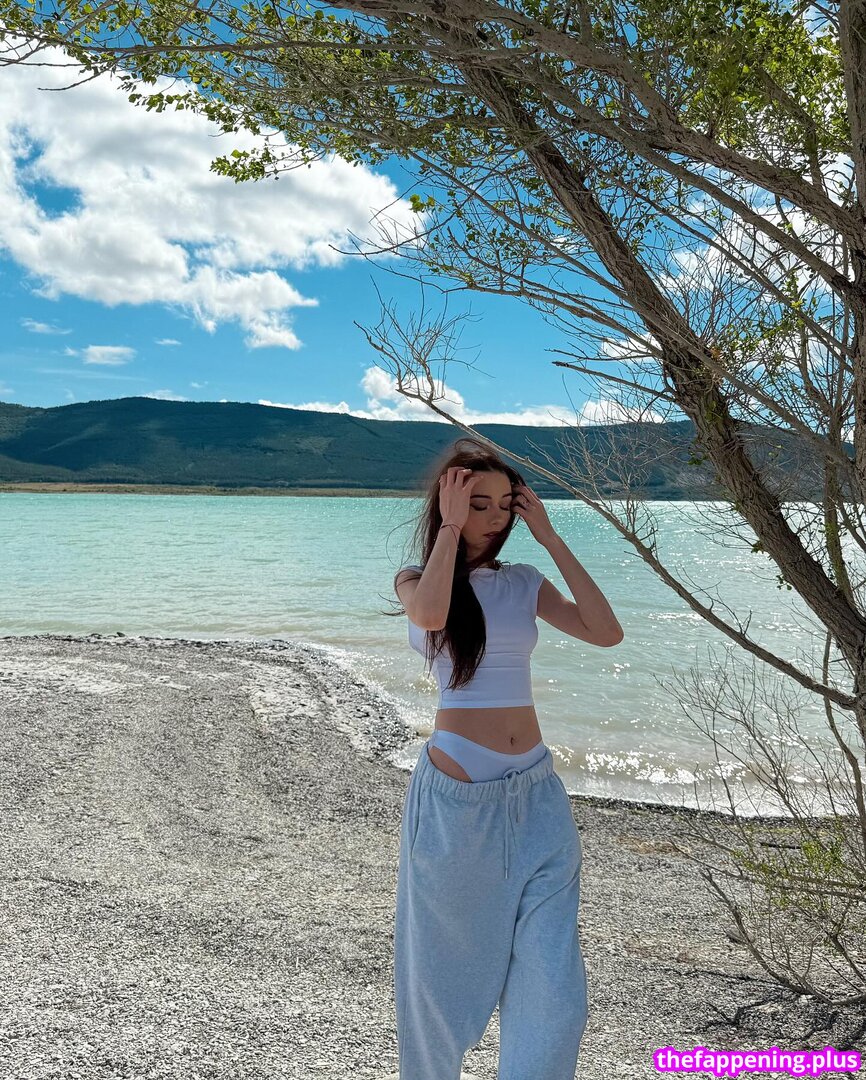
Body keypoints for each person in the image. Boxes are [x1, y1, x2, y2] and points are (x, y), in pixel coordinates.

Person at [390, 437, 623, 1080]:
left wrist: (550, 537)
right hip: (460, 797)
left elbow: (606, 632)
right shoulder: (416, 580)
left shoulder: (523, 582)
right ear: (449, 504)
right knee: (442, 979)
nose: (495, 516)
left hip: (538, 793)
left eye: (505, 504)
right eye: (479, 503)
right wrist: (450, 529)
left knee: (554, 985)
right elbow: (431, 614)